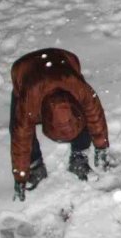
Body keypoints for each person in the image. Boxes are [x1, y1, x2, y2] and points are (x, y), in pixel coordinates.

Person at [9, 48, 111, 201]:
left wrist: (101, 146)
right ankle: (35, 166)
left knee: (85, 117)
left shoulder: (80, 90)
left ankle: (79, 158)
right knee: (20, 126)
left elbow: (95, 116)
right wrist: (20, 176)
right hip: (25, 72)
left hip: (63, 61)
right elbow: (21, 138)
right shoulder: (28, 103)